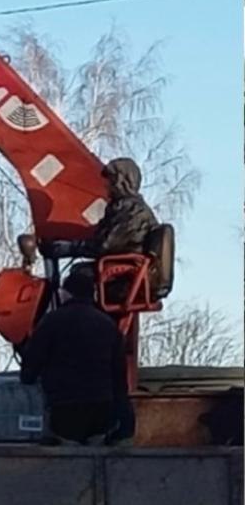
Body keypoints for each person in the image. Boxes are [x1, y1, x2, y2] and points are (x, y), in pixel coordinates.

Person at [19, 264, 128, 445]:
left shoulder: (51, 322)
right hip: (102, 412)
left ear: (65, 294)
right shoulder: (108, 325)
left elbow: (30, 370)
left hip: (64, 411)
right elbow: (119, 377)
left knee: (61, 442)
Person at [90, 157, 158, 256]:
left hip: (121, 263)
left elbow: (104, 245)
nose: (106, 185)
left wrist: (70, 248)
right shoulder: (121, 207)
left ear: (121, 182)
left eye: (111, 180)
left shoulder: (133, 212)